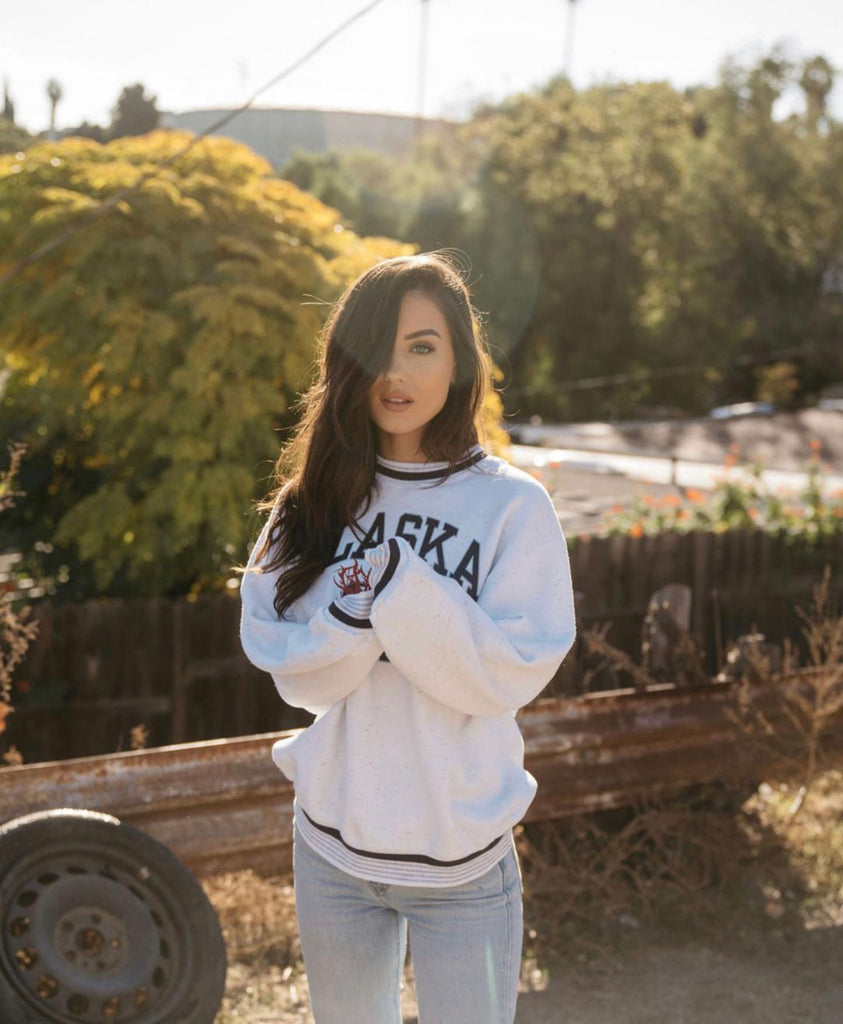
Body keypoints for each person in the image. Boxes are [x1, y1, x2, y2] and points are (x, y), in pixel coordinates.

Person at [238, 252, 576, 1024]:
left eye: (421, 346)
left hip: (462, 859)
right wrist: (360, 614)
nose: (395, 373)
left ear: (459, 361)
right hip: (332, 848)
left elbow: (507, 673)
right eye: (375, 348)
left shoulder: (511, 506)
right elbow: (292, 669)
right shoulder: (310, 502)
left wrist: (396, 588)